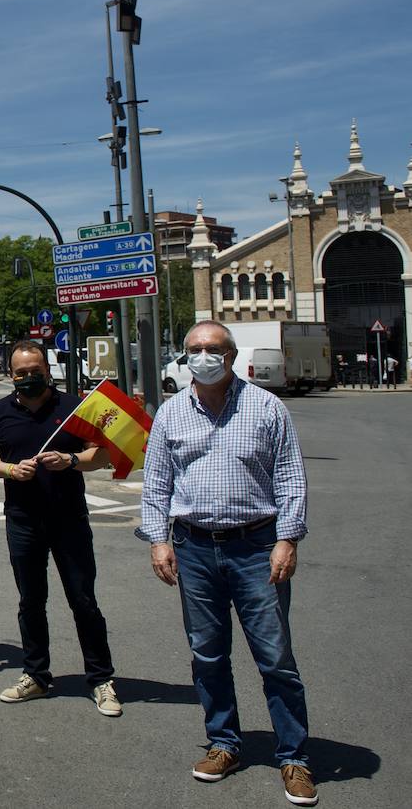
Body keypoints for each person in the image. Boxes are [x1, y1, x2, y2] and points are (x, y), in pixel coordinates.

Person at [141, 320, 317, 805]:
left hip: (257, 546)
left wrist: (288, 538)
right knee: (207, 653)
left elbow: (290, 478)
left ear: (232, 355)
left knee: (275, 656)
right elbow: (156, 484)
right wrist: (159, 541)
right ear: (185, 355)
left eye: (213, 348)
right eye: (195, 349)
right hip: (195, 548)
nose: (203, 356)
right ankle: (223, 742)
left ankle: (294, 756)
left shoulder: (266, 407)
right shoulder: (172, 413)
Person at [0, 340, 121, 717]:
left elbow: (100, 454)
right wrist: (10, 470)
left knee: (83, 601)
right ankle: (36, 676)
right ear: (11, 374)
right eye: (20, 372)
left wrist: (70, 460)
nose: (28, 377)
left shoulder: (73, 408)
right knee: (31, 601)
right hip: (22, 520)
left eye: (34, 371)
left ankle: (101, 680)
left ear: (47, 369)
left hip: (69, 518)